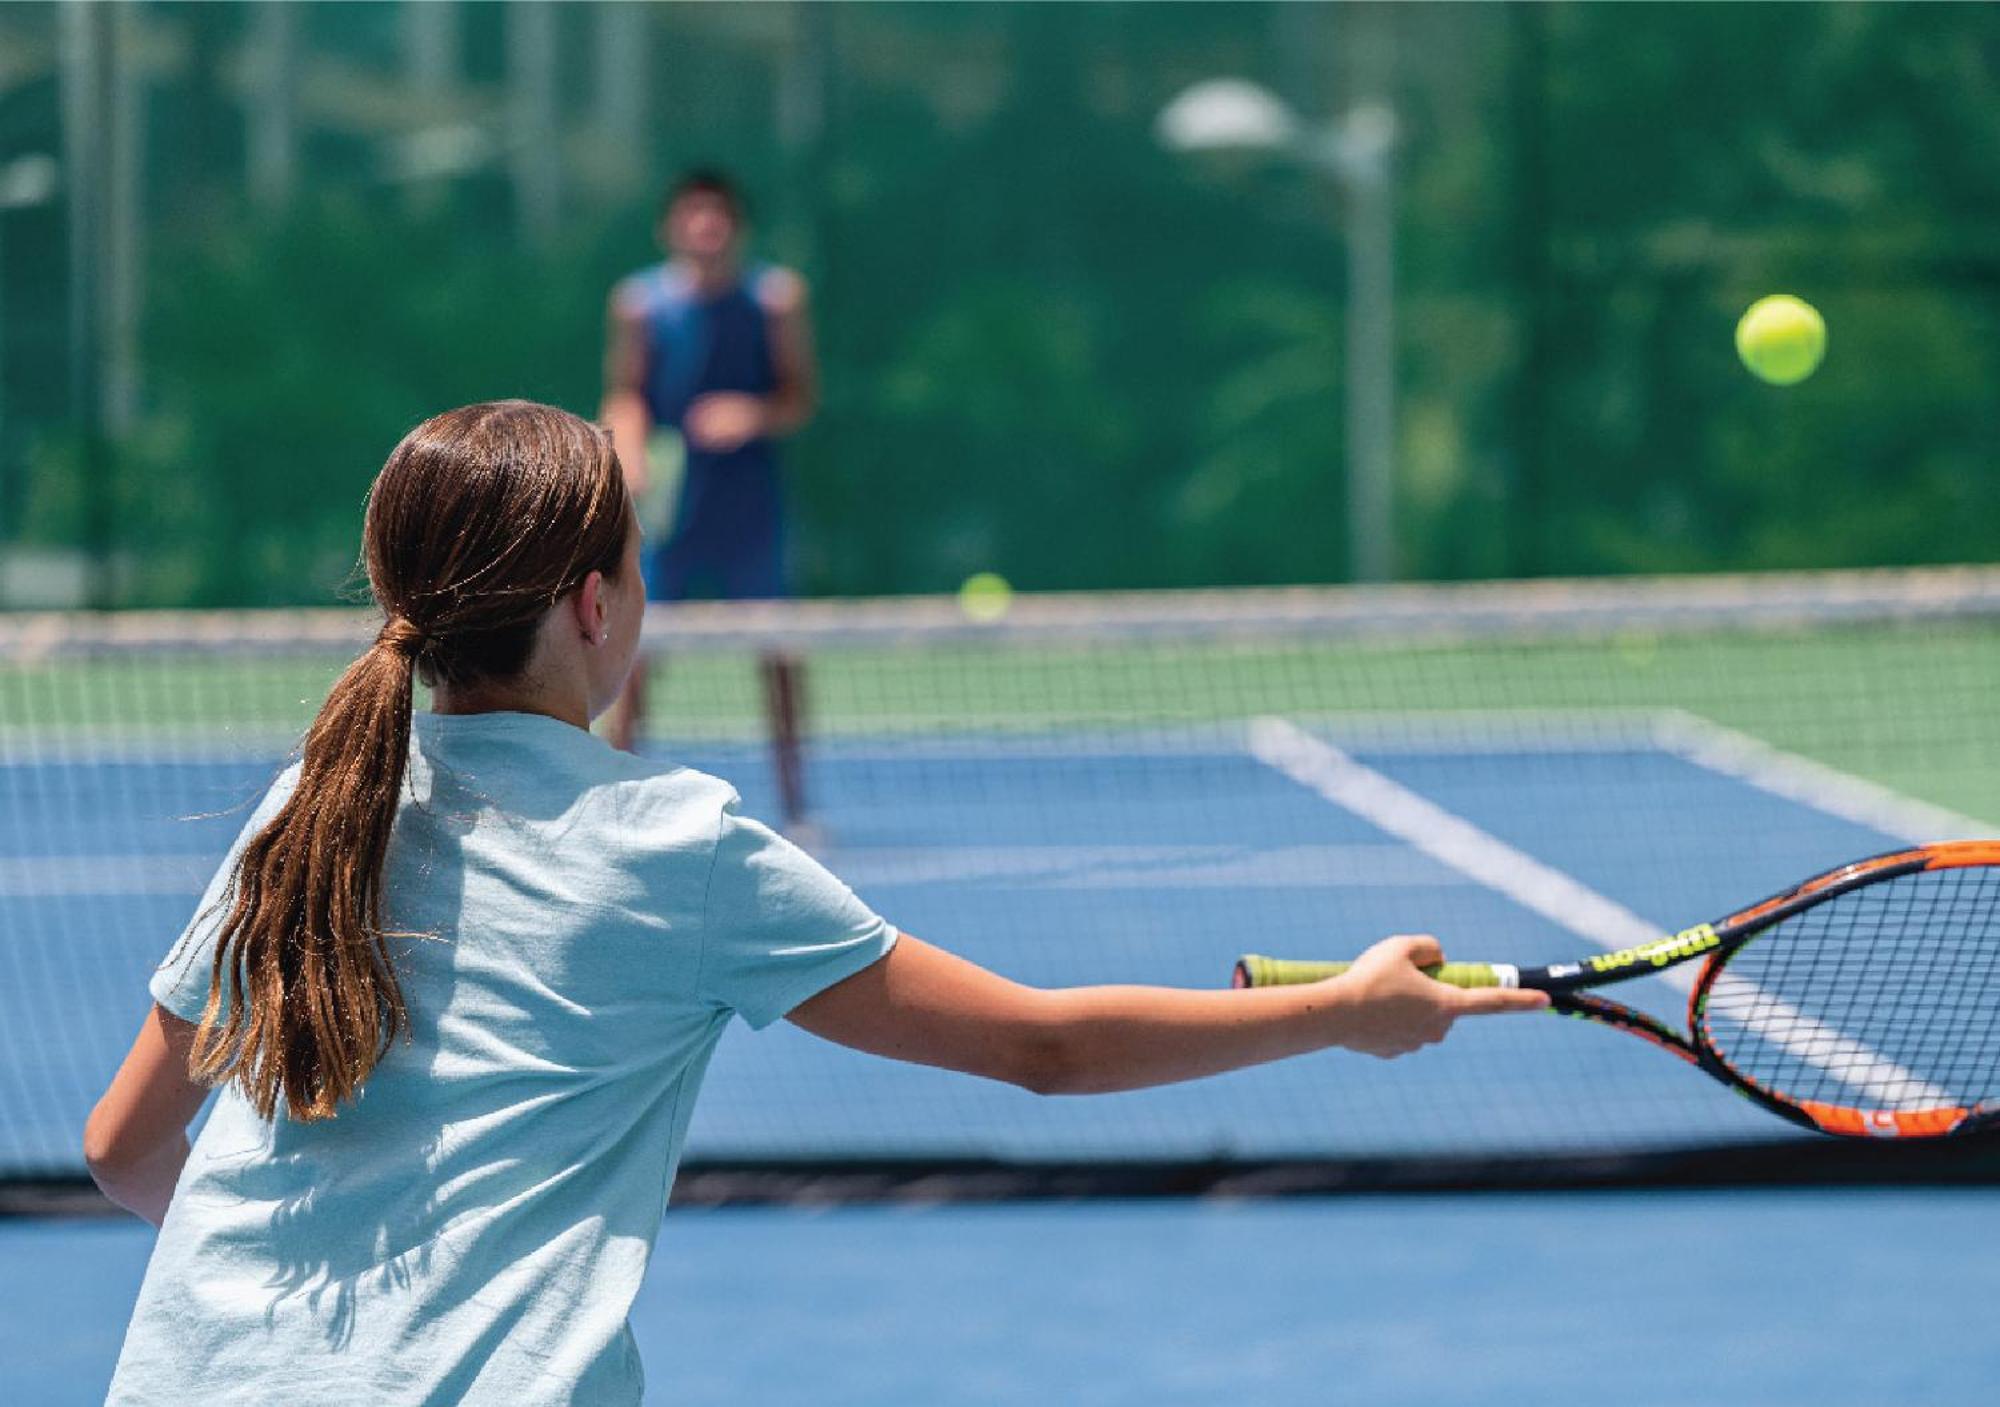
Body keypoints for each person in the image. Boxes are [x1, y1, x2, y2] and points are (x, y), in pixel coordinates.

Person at [85, 401, 1547, 1405]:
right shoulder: (670, 841)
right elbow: (1045, 1045)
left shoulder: (299, 814)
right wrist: (1347, 1009)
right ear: (597, 605)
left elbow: (121, 1145)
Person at [601, 169, 814, 831]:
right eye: (693, 215)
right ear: (672, 227)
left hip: (749, 501)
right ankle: (610, 800)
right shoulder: (639, 304)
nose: (706, 228)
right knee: (634, 652)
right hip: (672, 505)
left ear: (737, 226)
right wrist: (628, 451)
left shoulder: (777, 299)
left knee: (777, 652)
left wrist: (751, 415)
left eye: (718, 215)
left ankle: (797, 805)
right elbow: (624, 393)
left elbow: (798, 396)